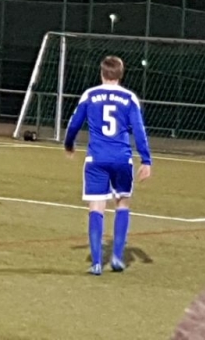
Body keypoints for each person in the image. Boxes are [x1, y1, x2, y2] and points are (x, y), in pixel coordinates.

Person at [64, 55, 152, 276]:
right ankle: (117, 257)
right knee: (122, 203)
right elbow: (139, 130)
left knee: (96, 207)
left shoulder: (90, 95)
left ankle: (96, 263)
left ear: (102, 73)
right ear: (121, 74)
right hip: (122, 158)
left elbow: (74, 123)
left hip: (97, 159)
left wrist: (69, 144)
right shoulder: (129, 98)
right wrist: (146, 159)